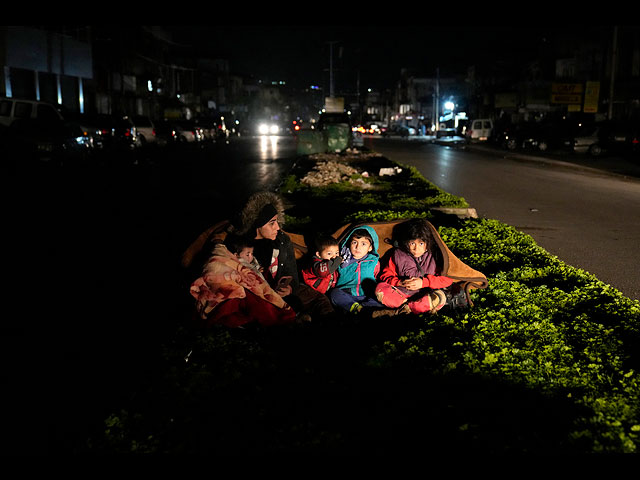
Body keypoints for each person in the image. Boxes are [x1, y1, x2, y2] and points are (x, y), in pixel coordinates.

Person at [231, 191, 334, 321]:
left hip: (282, 291)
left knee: (320, 301)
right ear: (258, 224)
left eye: (277, 221)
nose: (278, 227)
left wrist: (289, 288)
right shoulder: (244, 247)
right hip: (258, 294)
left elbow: (292, 273)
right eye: (272, 223)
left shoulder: (282, 241)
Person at [189, 240, 297, 329]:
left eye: (252, 254)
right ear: (236, 255)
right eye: (247, 254)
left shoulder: (255, 265)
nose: (250, 257)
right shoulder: (236, 263)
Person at [374, 218, 453, 315]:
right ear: (406, 242)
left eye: (421, 243)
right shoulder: (398, 254)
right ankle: (409, 307)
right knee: (380, 289)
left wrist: (424, 282)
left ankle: (405, 309)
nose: (416, 248)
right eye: (412, 243)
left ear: (427, 243)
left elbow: (447, 280)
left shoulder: (435, 256)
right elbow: (385, 275)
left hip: (425, 294)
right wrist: (399, 282)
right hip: (401, 294)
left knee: (439, 297)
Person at [329, 225, 385, 314]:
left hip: (367, 294)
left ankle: (363, 309)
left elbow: (377, 276)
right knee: (334, 294)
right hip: (347, 294)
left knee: (381, 296)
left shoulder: (374, 262)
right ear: (349, 243)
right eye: (354, 242)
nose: (358, 247)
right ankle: (356, 308)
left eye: (363, 244)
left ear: (370, 247)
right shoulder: (341, 261)